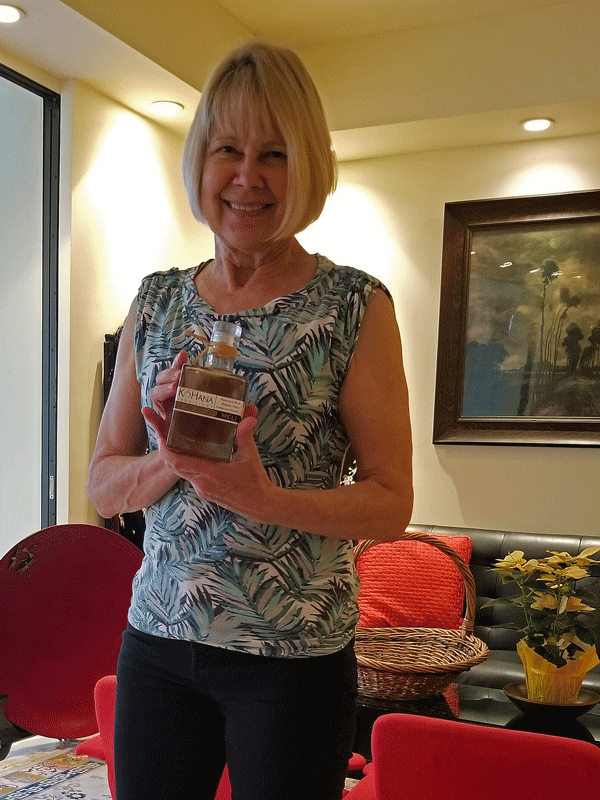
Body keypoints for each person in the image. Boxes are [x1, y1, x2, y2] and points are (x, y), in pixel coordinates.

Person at [87, 40, 413, 800]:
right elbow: (104, 485)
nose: (247, 176)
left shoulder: (353, 306)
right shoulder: (156, 301)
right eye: (228, 149)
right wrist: (171, 458)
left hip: (293, 657)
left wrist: (263, 498)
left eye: (275, 154)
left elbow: (391, 502)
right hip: (159, 644)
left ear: (309, 169)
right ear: (200, 160)